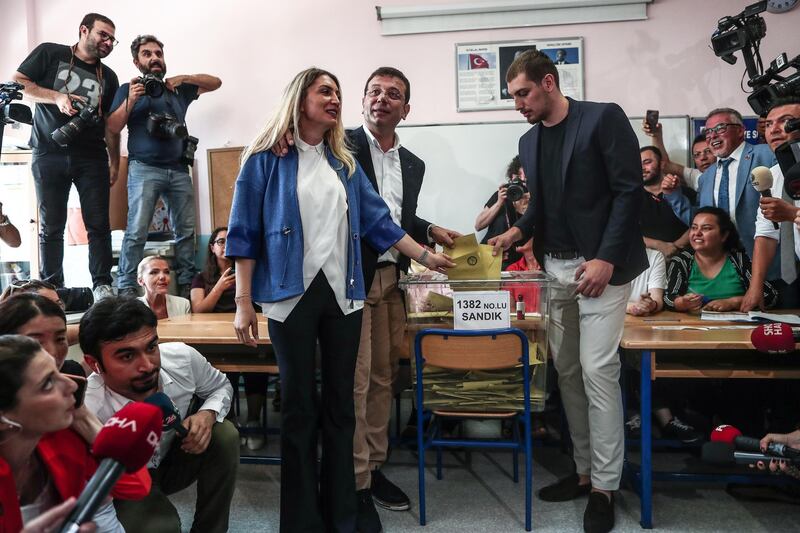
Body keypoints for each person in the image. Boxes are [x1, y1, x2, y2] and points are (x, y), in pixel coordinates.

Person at [227, 67, 453, 533]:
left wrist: (428, 257)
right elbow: (243, 233)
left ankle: (343, 514)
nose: (334, 99)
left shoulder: (343, 163)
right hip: (290, 299)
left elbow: (381, 223)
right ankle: (302, 521)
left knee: (340, 408)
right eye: (324, 91)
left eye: (337, 93)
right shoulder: (264, 159)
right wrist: (243, 300)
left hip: (344, 297)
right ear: (300, 98)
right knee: (297, 409)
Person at [490, 49, 647, 533]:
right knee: (569, 372)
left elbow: (628, 192)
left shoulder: (602, 118)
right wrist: (516, 233)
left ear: (549, 82)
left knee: (600, 371)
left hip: (600, 266)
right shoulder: (529, 140)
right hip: (554, 270)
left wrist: (606, 257)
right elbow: (544, 205)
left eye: (523, 94)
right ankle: (583, 472)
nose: (518, 104)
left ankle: (605, 485)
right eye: (513, 96)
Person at [81, 297, 238, 533]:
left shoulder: (182, 358)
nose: (148, 365)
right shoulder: (89, 408)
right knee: (161, 527)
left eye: (151, 347)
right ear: (95, 364)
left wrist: (207, 413)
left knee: (224, 434)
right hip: (123, 483)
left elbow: (220, 386)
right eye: (127, 356)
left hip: (174, 460)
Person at [13, 13, 121, 302]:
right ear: (84, 30)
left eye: (112, 39)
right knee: (51, 226)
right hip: (48, 152)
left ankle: (102, 285)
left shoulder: (108, 76)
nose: (108, 42)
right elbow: (18, 81)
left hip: (92, 156)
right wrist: (57, 97)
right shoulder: (50, 53)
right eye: (103, 35)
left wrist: (115, 161)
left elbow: (110, 123)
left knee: (98, 224)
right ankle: (52, 288)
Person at [107, 35, 221, 299]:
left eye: (158, 53)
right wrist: (132, 100)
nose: (154, 57)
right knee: (136, 231)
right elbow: (112, 127)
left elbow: (216, 83)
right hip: (144, 168)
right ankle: (125, 287)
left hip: (179, 170)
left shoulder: (177, 89)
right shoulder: (128, 89)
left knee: (185, 234)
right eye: (147, 54)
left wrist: (183, 78)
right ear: (137, 62)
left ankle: (185, 288)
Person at [0, 334, 151, 532]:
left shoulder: (63, 443)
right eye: (47, 384)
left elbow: (136, 486)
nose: (72, 385)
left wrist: (83, 417)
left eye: (58, 373)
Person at [662, 108, 778, 278]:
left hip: (771, 263)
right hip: (725, 269)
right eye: (708, 131)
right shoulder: (706, 177)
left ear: (740, 130)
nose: (713, 136)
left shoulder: (767, 155)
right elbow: (701, 222)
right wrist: (673, 195)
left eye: (720, 128)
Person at [190, 226, 268, 451]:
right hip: (216, 340)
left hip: (247, 335)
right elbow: (198, 310)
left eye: (230, 240)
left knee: (257, 372)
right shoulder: (200, 278)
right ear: (212, 247)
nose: (226, 246)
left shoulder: (247, 271)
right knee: (223, 374)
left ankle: (253, 421)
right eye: (221, 241)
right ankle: (229, 420)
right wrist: (219, 287)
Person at [0, 293, 103, 442]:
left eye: (60, 339)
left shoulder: (71, 382)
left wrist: (81, 417)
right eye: (36, 342)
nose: (52, 352)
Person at [741, 97, 800, 311]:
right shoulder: (772, 175)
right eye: (768, 124)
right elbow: (766, 234)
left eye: (786, 121)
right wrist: (755, 287)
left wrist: (792, 213)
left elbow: (790, 214)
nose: (774, 129)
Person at [664, 207, 777, 312]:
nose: (697, 233)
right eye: (694, 228)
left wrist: (733, 302)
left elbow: (770, 296)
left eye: (706, 228)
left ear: (724, 235)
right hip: (694, 328)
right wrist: (681, 303)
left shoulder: (740, 260)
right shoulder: (681, 261)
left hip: (737, 329)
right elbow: (668, 299)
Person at [475, 156, 527, 267]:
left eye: (524, 178)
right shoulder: (503, 194)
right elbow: (478, 225)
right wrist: (499, 203)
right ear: (512, 177)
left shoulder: (534, 199)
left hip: (517, 263)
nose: (520, 181)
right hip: (490, 257)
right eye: (517, 177)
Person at [639, 146, 689, 257]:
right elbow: (625, 231)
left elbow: (698, 223)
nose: (641, 168)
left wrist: (674, 247)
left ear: (662, 164)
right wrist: (659, 245)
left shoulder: (685, 192)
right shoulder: (630, 198)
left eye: (647, 162)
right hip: (646, 262)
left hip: (684, 258)